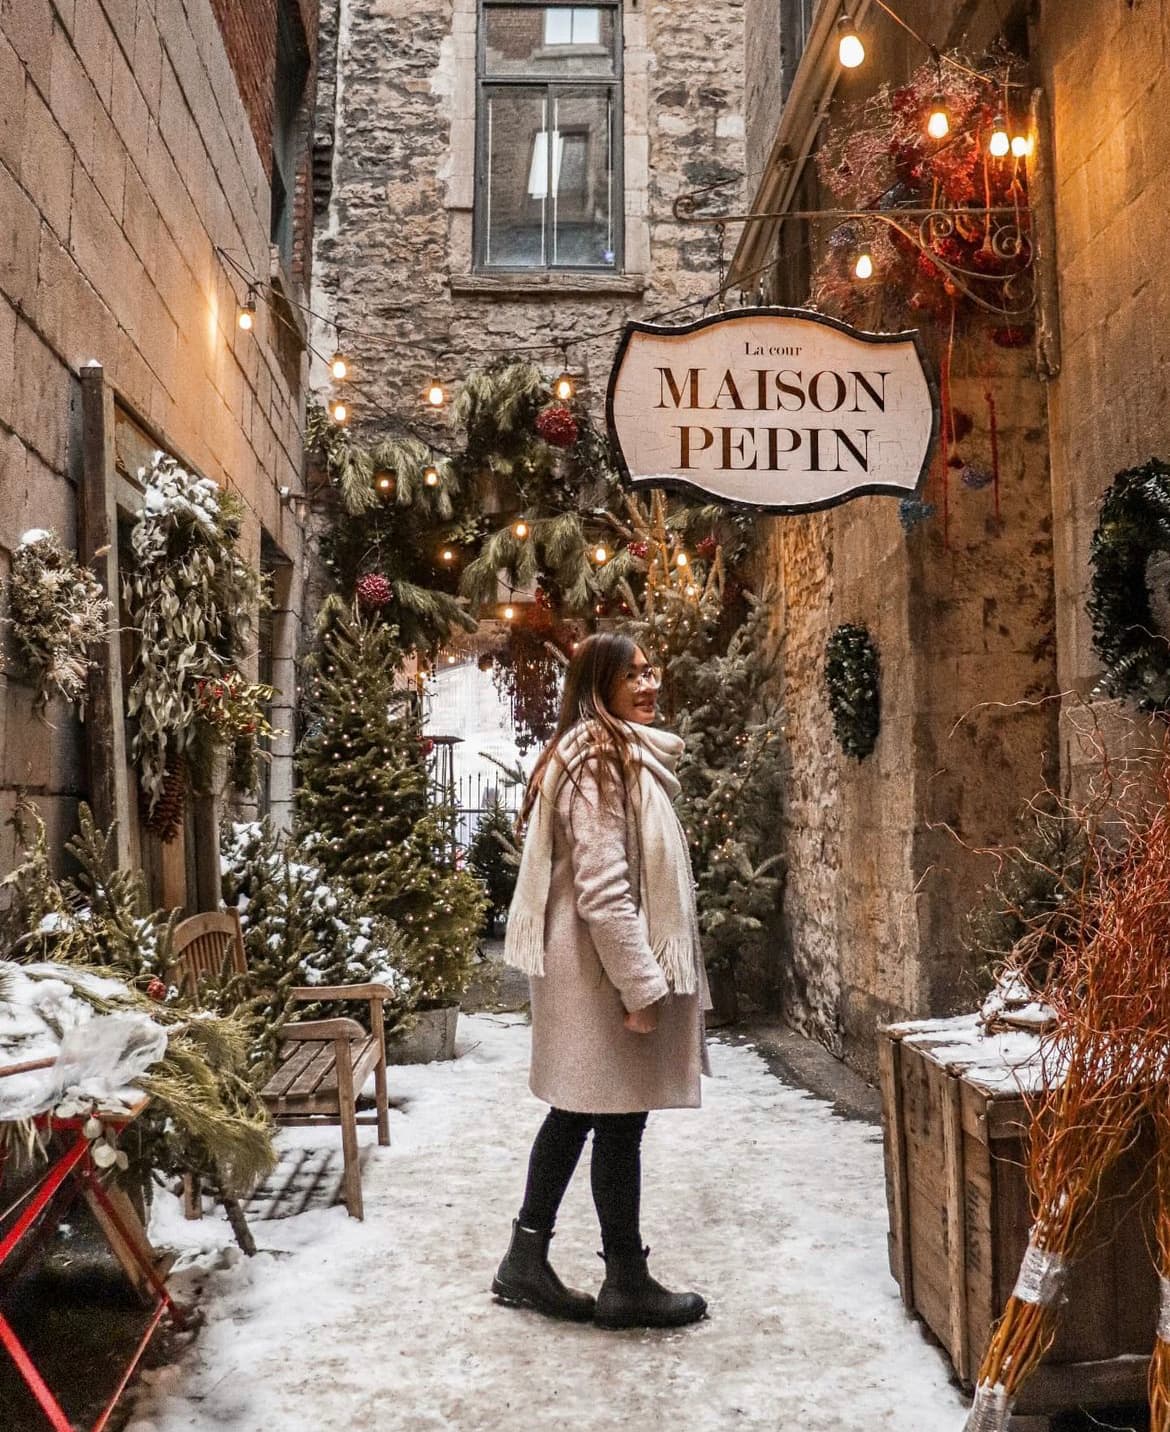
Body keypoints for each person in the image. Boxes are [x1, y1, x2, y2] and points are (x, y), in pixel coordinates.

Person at [491, 632, 711, 1329]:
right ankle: (621, 1279)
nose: (648, 684)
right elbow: (604, 889)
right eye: (631, 676)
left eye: (650, 670)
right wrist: (641, 988)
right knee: (607, 1118)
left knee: (592, 1113)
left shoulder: (608, 753)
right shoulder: (598, 762)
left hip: (591, 967)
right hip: (598, 972)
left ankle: (538, 1262)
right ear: (598, 686)